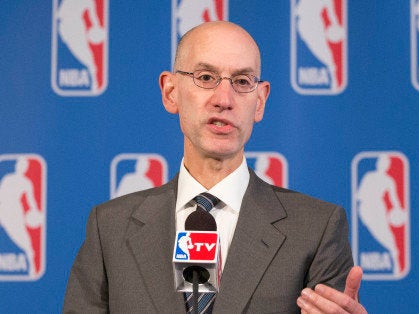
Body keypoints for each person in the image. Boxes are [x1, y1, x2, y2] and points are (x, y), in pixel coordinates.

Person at [63, 21, 366, 313]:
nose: (224, 99)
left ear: (259, 102)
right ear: (171, 92)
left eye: (242, 82)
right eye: (206, 78)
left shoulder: (316, 229)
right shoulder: (110, 227)